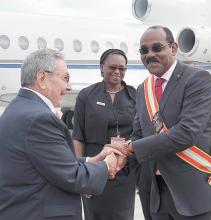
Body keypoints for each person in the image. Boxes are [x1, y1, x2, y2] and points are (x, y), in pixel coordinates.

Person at [108, 26, 211, 220]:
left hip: (193, 194)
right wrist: (118, 156)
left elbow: (187, 133)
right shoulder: (144, 89)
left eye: (157, 47)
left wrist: (132, 147)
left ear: (174, 48)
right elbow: (139, 133)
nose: (150, 54)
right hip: (156, 194)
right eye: (144, 50)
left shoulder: (198, 80)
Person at [0, 48, 122, 220]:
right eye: (65, 78)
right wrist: (107, 165)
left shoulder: (18, 108)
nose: (69, 86)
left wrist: (91, 160)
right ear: (42, 78)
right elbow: (73, 177)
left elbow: (49, 161)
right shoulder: (39, 119)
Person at [72, 49, 137, 220]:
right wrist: (80, 173)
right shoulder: (86, 95)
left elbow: (140, 132)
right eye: (113, 67)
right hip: (94, 169)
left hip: (125, 171)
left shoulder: (135, 96)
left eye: (122, 68)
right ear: (102, 67)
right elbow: (78, 135)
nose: (117, 72)